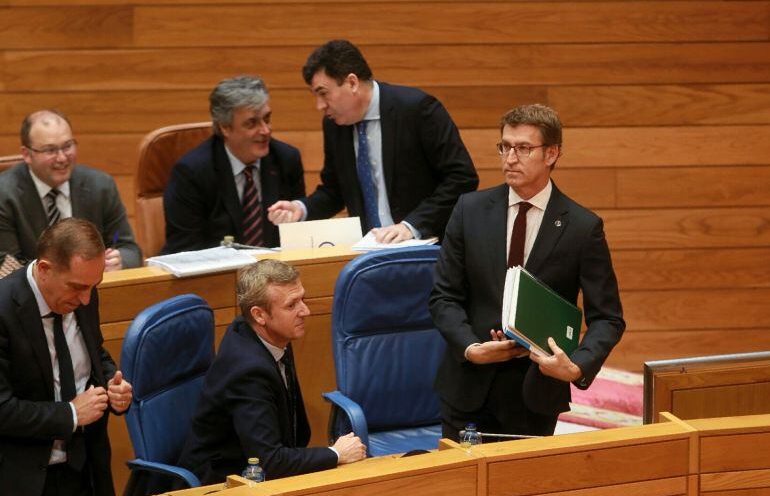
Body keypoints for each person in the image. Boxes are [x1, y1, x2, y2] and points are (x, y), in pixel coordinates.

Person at [430, 104, 625, 440]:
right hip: (468, 388)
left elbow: (608, 317)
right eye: (505, 146)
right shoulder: (468, 210)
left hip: (535, 395)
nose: (510, 158)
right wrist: (470, 348)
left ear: (551, 153)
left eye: (523, 148)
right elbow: (444, 297)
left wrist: (576, 366)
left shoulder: (582, 227)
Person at [268, 40, 479, 243]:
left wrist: (411, 225)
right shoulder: (334, 126)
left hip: (426, 247)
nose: (320, 106)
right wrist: (302, 208)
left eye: (323, 94)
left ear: (352, 82)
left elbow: (462, 178)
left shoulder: (417, 110)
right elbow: (334, 191)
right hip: (369, 252)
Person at [178, 259, 365, 483]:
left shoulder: (267, 333)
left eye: (302, 299)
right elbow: (270, 462)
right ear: (259, 315)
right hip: (221, 483)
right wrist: (335, 454)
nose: (305, 311)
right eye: (291, 305)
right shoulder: (248, 370)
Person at [0, 218, 134, 496]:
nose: (86, 299)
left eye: (92, 286)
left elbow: (93, 353)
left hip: (87, 470)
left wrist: (112, 385)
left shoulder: (83, 291)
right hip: (25, 480)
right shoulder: (3, 310)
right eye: (77, 287)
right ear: (45, 269)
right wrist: (71, 414)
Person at [162, 76, 305, 254]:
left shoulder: (286, 160)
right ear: (225, 128)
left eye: (266, 119)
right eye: (252, 123)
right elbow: (184, 251)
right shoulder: (192, 173)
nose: (266, 130)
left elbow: (299, 236)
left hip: (275, 273)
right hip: (216, 275)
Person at [0, 110, 142, 271]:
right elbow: (8, 266)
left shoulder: (101, 186)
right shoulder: (4, 195)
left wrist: (119, 260)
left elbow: (128, 248)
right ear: (27, 154)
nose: (62, 158)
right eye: (50, 150)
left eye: (67, 146)